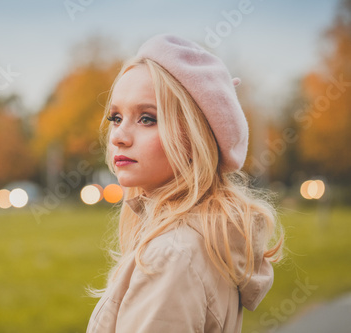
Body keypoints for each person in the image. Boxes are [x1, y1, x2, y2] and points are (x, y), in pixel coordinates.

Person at [86, 34, 284, 332]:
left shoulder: (171, 256)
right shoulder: (200, 237)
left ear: (195, 138)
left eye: (147, 119)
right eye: (116, 117)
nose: (118, 137)